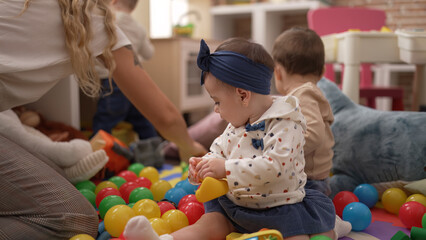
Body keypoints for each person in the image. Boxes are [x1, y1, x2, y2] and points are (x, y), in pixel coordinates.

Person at [0, 1, 206, 239]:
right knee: (74, 219)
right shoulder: (91, 17)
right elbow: (165, 116)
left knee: (58, 175)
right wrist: (189, 146)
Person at [122, 38, 347, 240]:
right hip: (239, 205)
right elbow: (219, 150)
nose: (216, 109)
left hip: (281, 208)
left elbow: (276, 166)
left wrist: (225, 169)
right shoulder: (237, 124)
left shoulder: (286, 123)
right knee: (209, 225)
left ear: (243, 95)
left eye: (217, 101)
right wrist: (203, 165)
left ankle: (337, 227)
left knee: (304, 234)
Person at [272, 27, 335, 196]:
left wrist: (283, 150)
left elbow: (314, 133)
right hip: (306, 177)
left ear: (277, 73)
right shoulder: (302, 95)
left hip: (310, 181)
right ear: (322, 72)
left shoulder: (303, 95)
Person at [92, 0, 158, 140]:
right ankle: (154, 151)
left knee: (105, 121)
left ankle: (97, 155)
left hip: (114, 81)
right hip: (135, 82)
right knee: (142, 121)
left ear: (113, 2)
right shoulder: (138, 27)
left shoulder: (109, 19)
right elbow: (149, 53)